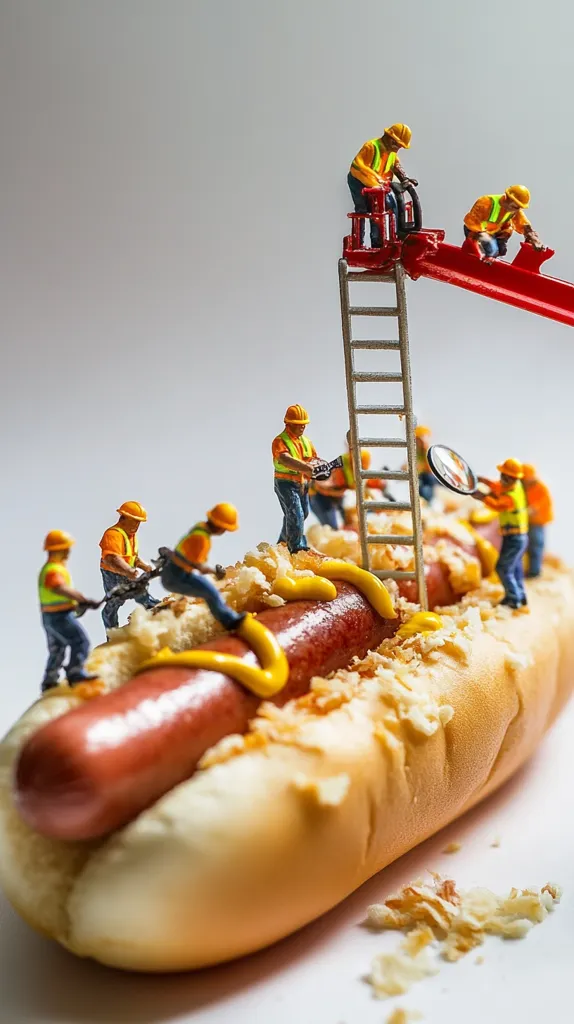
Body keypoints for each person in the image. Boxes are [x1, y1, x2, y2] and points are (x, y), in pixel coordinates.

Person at [161, 504, 244, 632]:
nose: (224, 532)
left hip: (177, 571)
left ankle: (230, 619)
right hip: (175, 576)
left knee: (211, 591)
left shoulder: (201, 527)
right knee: (210, 593)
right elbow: (198, 566)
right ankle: (230, 622)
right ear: (218, 526)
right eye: (224, 529)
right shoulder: (201, 538)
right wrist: (215, 572)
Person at [39, 530, 100, 692]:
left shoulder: (53, 568)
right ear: (56, 550)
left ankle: (49, 680)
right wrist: (82, 599)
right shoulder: (53, 569)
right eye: (65, 548)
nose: (68, 552)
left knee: (57, 649)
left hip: (49, 616)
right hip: (59, 616)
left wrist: (78, 603)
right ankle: (75, 673)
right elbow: (59, 588)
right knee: (80, 642)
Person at [348, 123, 417, 247]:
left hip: (379, 185)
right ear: (389, 138)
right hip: (359, 181)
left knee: (390, 205)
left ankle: (388, 240)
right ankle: (360, 244)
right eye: (397, 144)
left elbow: (396, 166)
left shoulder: (392, 153)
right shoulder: (371, 147)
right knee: (364, 211)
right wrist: (376, 181)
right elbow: (358, 166)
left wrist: (405, 179)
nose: (397, 149)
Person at [473, 458, 528, 609]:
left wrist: (482, 496)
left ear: (511, 478)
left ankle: (513, 599)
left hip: (514, 538)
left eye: (504, 475)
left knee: (502, 568)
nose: (501, 478)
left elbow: (497, 505)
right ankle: (521, 596)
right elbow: (498, 487)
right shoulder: (514, 486)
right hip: (516, 537)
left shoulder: (511, 497)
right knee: (515, 568)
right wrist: (484, 481)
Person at [99, 501, 160, 631]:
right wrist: (128, 570)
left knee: (140, 591)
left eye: (139, 522)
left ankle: (153, 607)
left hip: (126, 572)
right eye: (134, 521)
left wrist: (144, 566)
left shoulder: (131, 536)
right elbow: (112, 558)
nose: (137, 525)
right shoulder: (113, 534)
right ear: (123, 518)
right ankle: (111, 630)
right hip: (113, 574)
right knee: (115, 602)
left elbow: (132, 557)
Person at [273, 404, 324, 553]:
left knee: (301, 514)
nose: (301, 428)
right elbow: (285, 459)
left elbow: (313, 459)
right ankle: (296, 548)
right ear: (288, 424)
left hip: (302, 483)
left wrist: (321, 467)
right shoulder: (280, 441)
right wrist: (306, 468)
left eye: (303, 425)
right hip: (286, 483)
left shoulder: (306, 441)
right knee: (296, 514)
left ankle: (282, 542)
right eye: (298, 425)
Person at [310, 432, 388, 529]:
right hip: (320, 497)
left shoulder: (360, 471)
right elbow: (320, 486)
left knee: (353, 518)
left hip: (338, 496)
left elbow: (365, 490)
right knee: (332, 526)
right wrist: (338, 491)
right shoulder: (340, 468)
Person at [463, 186, 544, 262]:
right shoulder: (486, 202)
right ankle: (474, 254)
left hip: (493, 232)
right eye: (516, 206)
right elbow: (472, 221)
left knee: (501, 250)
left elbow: (524, 225)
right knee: (492, 250)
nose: (517, 209)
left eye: (519, 207)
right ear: (508, 198)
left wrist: (535, 240)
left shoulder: (514, 211)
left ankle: (487, 259)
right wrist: (481, 235)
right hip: (476, 231)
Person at [522, 464, 554, 578]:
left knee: (536, 546)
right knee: (526, 546)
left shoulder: (541, 488)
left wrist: (531, 509)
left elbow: (541, 504)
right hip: (528, 521)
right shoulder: (524, 487)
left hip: (538, 522)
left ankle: (534, 572)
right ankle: (528, 569)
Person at [415, 425, 435, 502]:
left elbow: (429, 469)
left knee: (425, 490)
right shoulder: (416, 451)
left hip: (428, 478)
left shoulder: (427, 450)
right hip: (421, 476)